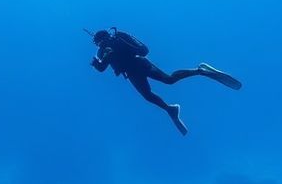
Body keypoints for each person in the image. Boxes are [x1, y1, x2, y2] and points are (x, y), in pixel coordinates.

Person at [89, 27, 241, 135]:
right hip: (131, 73)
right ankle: (170, 109)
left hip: (140, 64)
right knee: (148, 96)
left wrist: (120, 49)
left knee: (169, 80)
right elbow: (101, 68)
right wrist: (97, 62)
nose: (101, 45)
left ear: (107, 36)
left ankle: (200, 70)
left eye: (102, 41)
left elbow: (144, 50)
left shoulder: (119, 38)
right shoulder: (101, 52)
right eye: (99, 44)